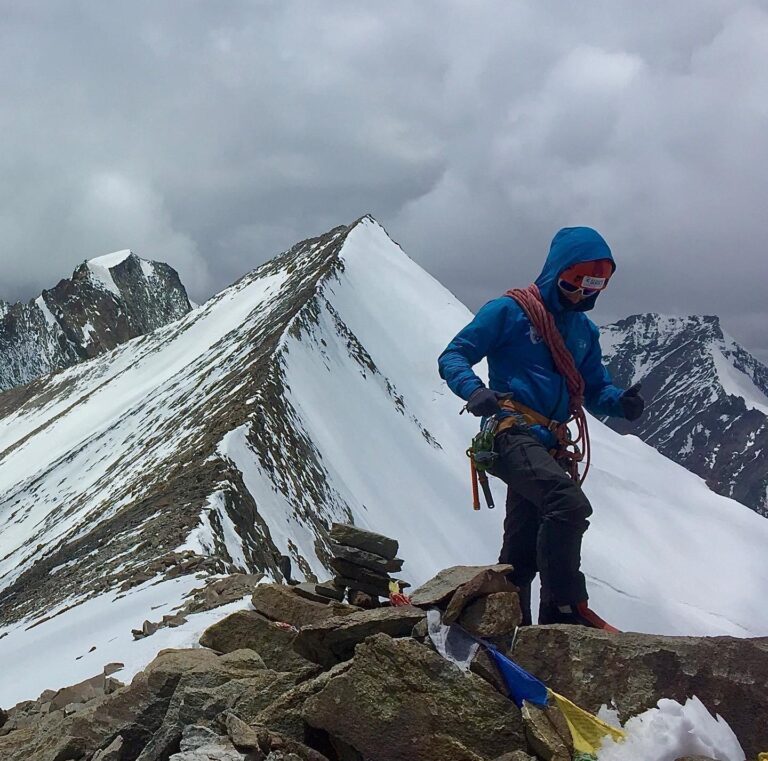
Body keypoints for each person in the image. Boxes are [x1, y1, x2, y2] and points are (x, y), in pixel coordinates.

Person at [438, 227, 645, 629]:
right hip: (509, 431)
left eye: (592, 287)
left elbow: (591, 387)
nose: (581, 295)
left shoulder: (584, 331)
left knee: (521, 550)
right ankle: (564, 611)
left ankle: (510, 628)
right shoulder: (509, 311)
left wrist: (620, 402)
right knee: (566, 504)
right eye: (574, 284)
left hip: (545, 444)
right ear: (557, 273)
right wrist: (475, 390)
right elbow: (455, 355)